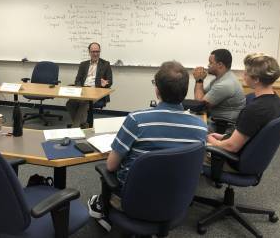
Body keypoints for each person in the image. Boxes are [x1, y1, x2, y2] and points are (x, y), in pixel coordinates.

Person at [88, 61, 207, 230]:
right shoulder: (200, 127)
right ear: (185, 90)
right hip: (175, 200)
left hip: (133, 201)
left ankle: (101, 207)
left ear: (157, 90)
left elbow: (111, 165)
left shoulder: (136, 120)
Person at [207, 53, 280, 155]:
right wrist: (224, 137)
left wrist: (210, 140)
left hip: (233, 160)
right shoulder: (276, 100)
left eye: (246, 72)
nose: (244, 75)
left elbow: (231, 146)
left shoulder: (254, 110)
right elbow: (251, 133)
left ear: (256, 79)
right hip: (253, 155)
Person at [193, 49, 245, 132]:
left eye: (210, 62)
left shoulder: (225, 84)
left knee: (190, 131)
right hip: (217, 121)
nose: (208, 65)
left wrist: (199, 80)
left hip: (223, 128)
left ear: (220, 65)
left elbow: (199, 104)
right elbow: (202, 95)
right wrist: (199, 81)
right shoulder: (220, 79)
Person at [66, 42, 113, 128]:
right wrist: (80, 89)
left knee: (84, 103)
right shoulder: (83, 64)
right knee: (70, 103)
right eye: (93, 52)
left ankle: (75, 128)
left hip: (96, 91)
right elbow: (77, 80)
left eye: (97, 51)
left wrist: (104, 84)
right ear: (89, 52)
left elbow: (110, 82)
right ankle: (83, 124)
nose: (95, 54)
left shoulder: (105, 64)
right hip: (83, 90)